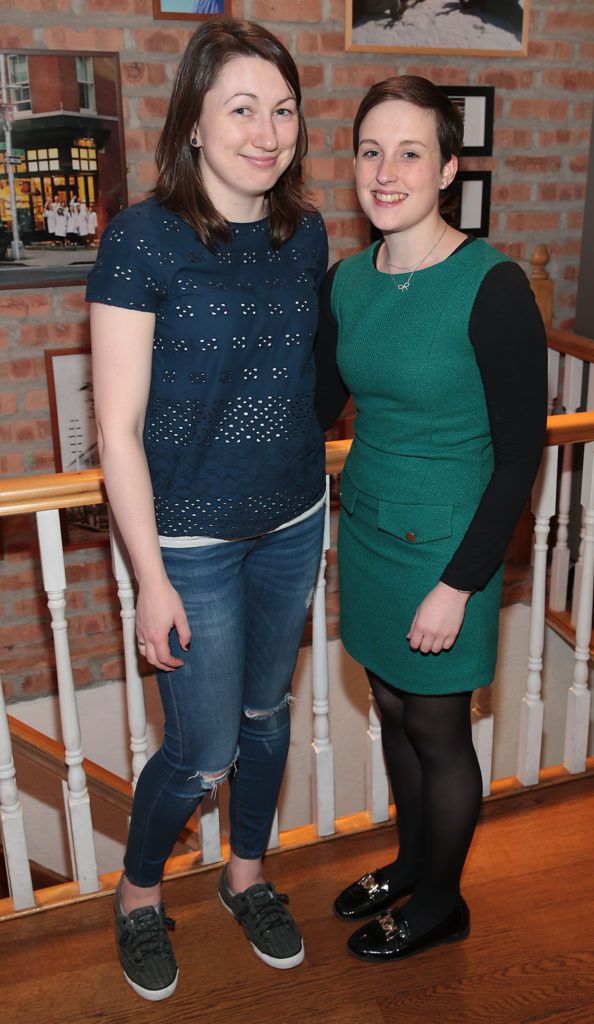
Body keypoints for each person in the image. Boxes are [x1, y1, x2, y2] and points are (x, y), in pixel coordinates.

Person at [87, 16, 327, 1002]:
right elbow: (118, 431)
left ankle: (247, 875)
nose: (266, 131)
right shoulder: (141, 241)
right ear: (194, 120)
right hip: (186, 542)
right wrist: (148, 578)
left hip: (293, 521)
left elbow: (303, 376)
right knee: (201, 749)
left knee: (267, 716)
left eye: (282, 110)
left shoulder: (304, 232)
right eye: (241, 109)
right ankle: (140, 895)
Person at [315, 75, 547, 963]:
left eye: (410, 152)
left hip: (453, 544)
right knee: (389, 702)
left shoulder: (491, 285)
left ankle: (442, 901)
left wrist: (460, 582)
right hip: (370, 530)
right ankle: (413, 860)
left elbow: (523, 454)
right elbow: (319, 406)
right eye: (371, 150)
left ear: (447, 167)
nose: (386, 171)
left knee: (440, 728)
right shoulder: (349, 282)